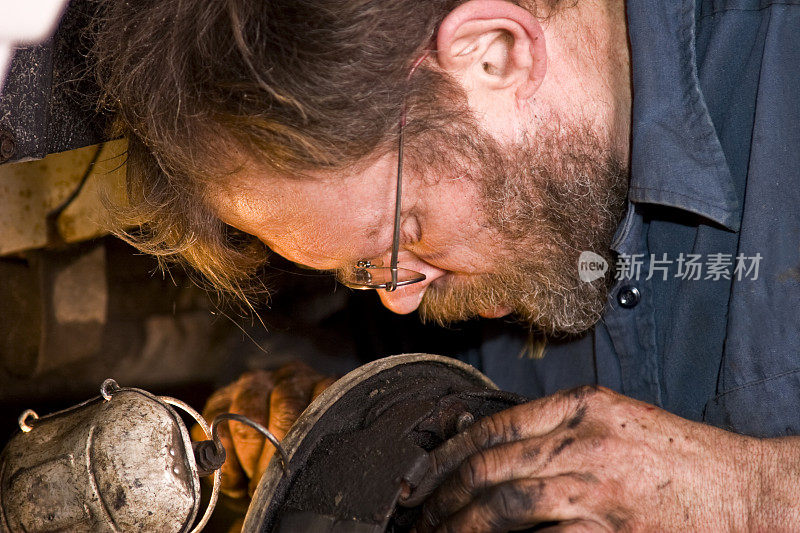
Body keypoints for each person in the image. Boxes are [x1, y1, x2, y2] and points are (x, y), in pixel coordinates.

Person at [93, 0, 800, 530]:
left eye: (402, 235)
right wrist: (335, 416)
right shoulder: (505, 247)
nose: (399, 300)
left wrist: (753, 494)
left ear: (496, 52)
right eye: (360, 270)